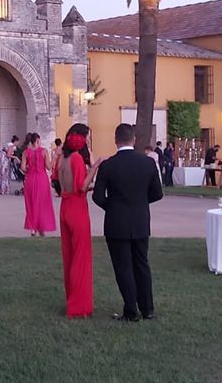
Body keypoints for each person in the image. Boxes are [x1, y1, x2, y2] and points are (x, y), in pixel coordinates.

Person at [93, 124, 163, 322]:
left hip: (116, 222)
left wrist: (114, 207)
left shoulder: (108, 165)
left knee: (123, 267)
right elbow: (157, 194)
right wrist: (139, 204)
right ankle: (148, 309)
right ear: (133, 140)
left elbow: (98, 197)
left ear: (116, 140)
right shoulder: (148, 163)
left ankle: (130, 310)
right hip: (140, 220)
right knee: (142, 264)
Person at [57, 124, 101, 318]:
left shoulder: (62, 158)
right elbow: (83, 187)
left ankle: (72, 300)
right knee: (81, 257)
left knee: (69, 255)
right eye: (87, 138)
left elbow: (61, 183)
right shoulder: (75, 159)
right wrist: (95, 166)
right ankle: (79, 306)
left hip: (65, 206)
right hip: (77, 208)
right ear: (81, 139)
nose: (89, 141)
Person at [23, 133, 56, 237]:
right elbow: (49, 167)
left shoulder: (26, 152)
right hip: (42, 179)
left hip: (30, 179)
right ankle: (41, 227)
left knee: (31, 203)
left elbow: (23, 168)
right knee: (42, 204)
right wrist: (54, 157)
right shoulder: (44, 151)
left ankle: (33, 228)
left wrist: (29, 169)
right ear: (37, 140)